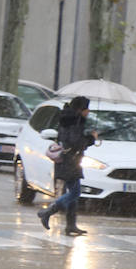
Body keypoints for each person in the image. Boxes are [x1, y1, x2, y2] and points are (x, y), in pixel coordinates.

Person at [38, 95, 97, 236]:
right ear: (80, 109)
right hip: (71, 160)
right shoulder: (75, 120)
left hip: (67, 159)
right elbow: (75, 141)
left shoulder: (67, 118)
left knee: (73, 193)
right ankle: (48, 212)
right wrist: (91, 138)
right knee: (75, 192)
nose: (88, 111)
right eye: (86, 108)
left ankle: (71, 225)